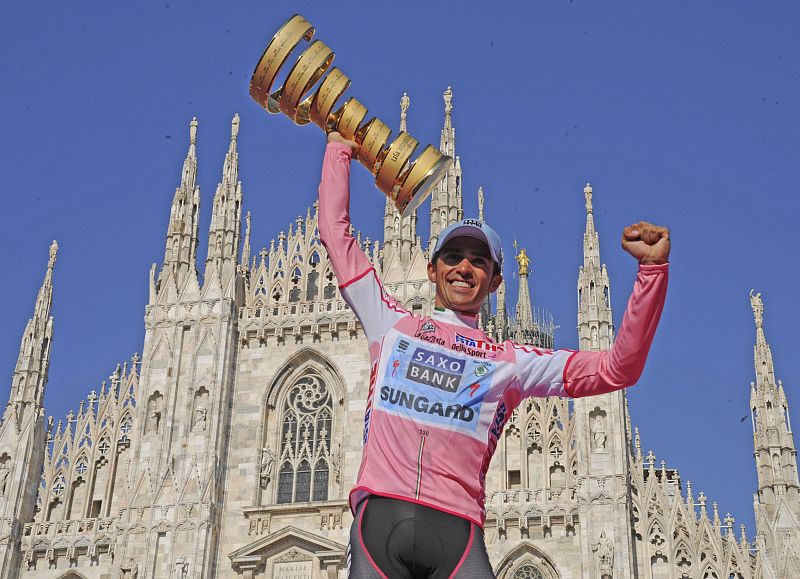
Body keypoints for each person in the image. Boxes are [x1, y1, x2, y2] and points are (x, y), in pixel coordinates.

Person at [318, 132, 669, 578]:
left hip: (457, 534)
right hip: (379, 521)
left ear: (495, 281)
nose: (464, 267)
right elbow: (335, 233)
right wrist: (339, 146)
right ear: (433, 269)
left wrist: (652, 272)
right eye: (453, 256)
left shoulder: (510, 361)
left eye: (479, 261)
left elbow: (619, 367)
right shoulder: (390, 325)